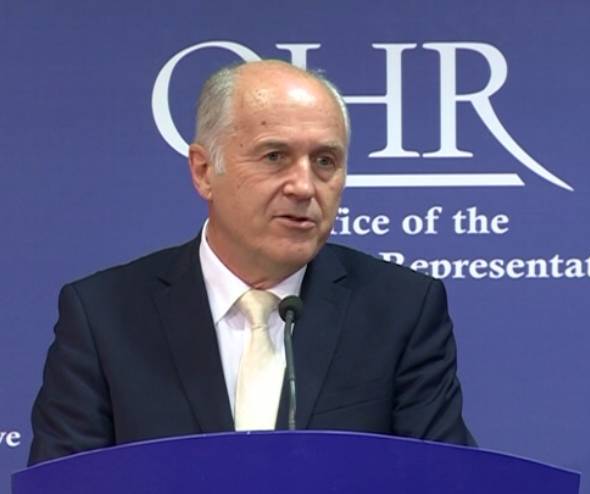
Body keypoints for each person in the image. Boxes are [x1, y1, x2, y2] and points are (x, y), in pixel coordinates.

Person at [29, 60, 475, 465]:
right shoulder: (105, 315)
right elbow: (63, 482)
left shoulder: (401, 310)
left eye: (325, 161)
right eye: (275, 156)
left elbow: (446, 479)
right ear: (204, 171)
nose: (304, 186)